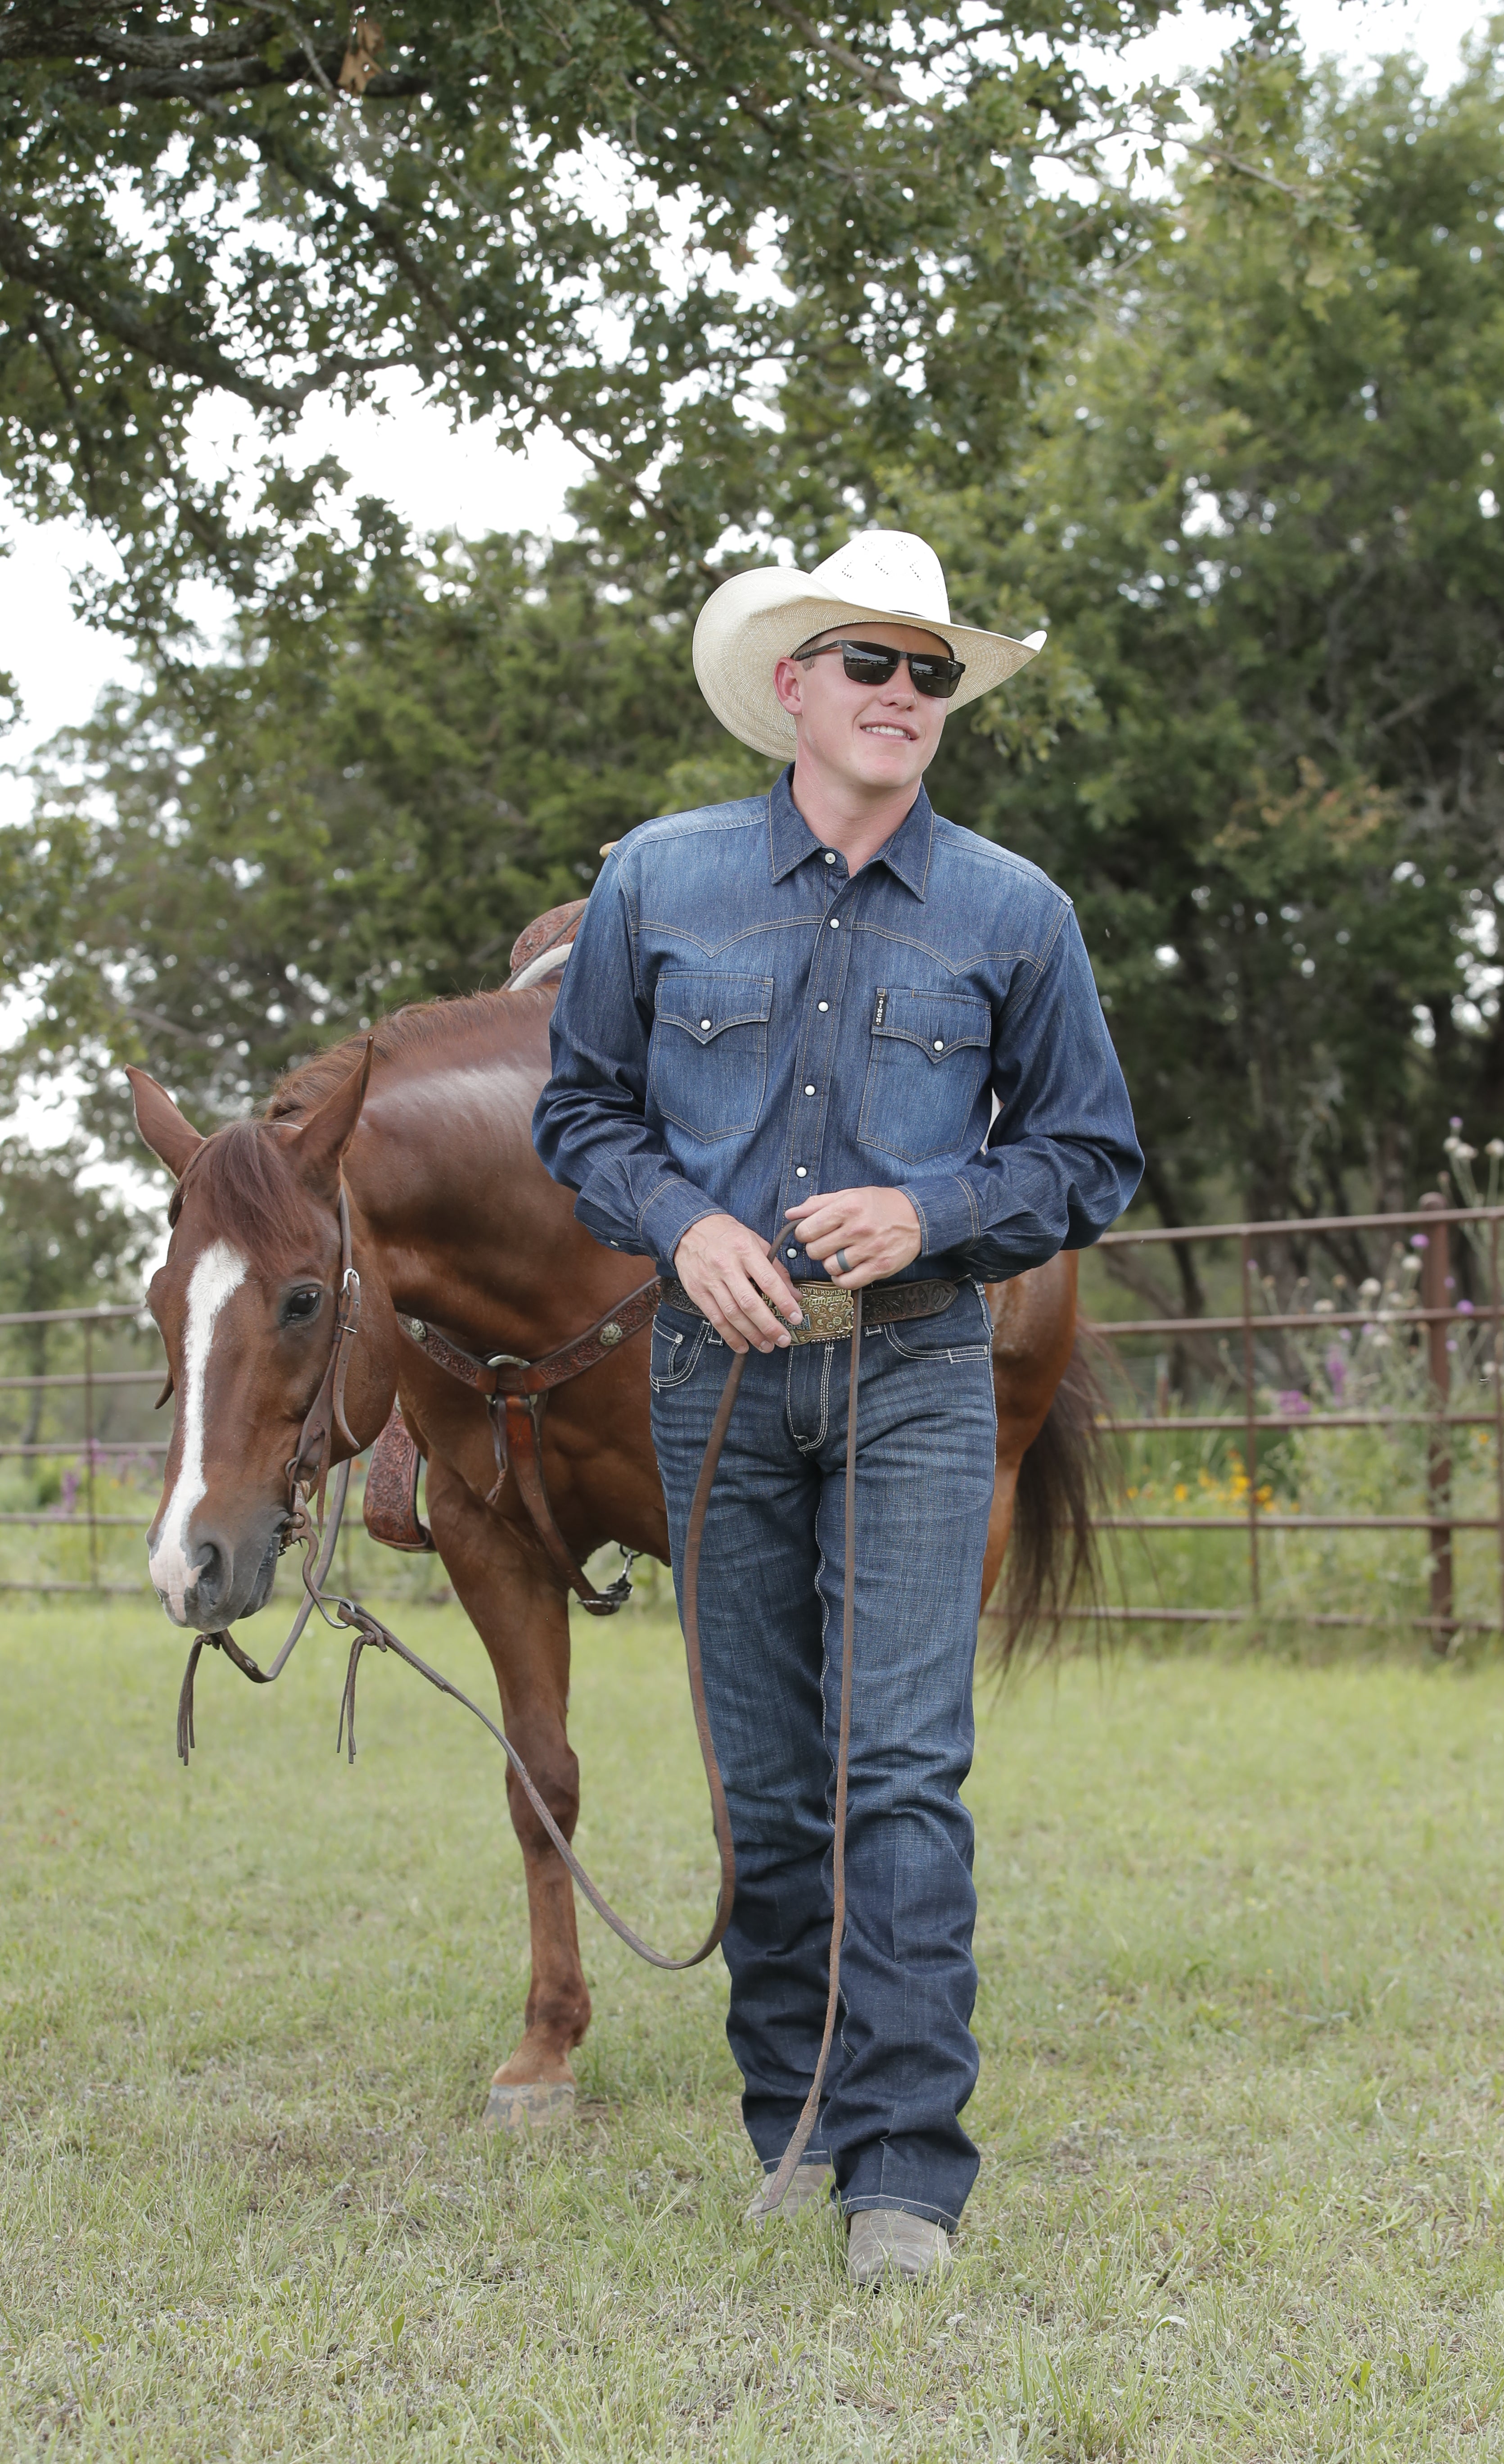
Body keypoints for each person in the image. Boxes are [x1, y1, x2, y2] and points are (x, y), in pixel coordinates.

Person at [533, 530, 1142, 2285]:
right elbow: (580, 1119)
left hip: (922, 1377)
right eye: (867, 664)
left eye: (930, 673)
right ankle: (790, 2116)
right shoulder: (656, 883)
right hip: (710, 1377)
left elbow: (1092, 1153)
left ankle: (905, 2168)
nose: (900, 696)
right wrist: (685, 1221)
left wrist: (933, 1212)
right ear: (791, 687)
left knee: (903, 1779)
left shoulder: (1017, 914)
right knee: (775, 1786)